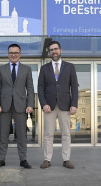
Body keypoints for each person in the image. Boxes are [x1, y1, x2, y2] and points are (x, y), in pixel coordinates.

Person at [0, 43, 34, 169]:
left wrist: (30, 104)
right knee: (3, 134)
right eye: (11, 52)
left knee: (21, 134)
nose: (13, 54)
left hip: (21, 105)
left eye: (16, 52)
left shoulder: (27, 69)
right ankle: (1, 159)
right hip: (4, 105)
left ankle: (23, 159)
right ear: (8, 54)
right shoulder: (1, 68)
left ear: (20, 54)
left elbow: (30, 88)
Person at [38, 40, 78, 169]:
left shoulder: (70, 67)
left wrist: (74, 104)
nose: (54, 51)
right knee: (48, 134)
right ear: (49, 53)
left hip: (65, 105)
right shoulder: (44, 68)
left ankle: (66, 159)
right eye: (51, 50)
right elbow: (40, 88)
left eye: (56, 49)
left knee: (66, 133)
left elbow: (74, 88)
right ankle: (47, 159)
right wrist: (43, 104)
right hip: (49, 107)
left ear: (61, 50)